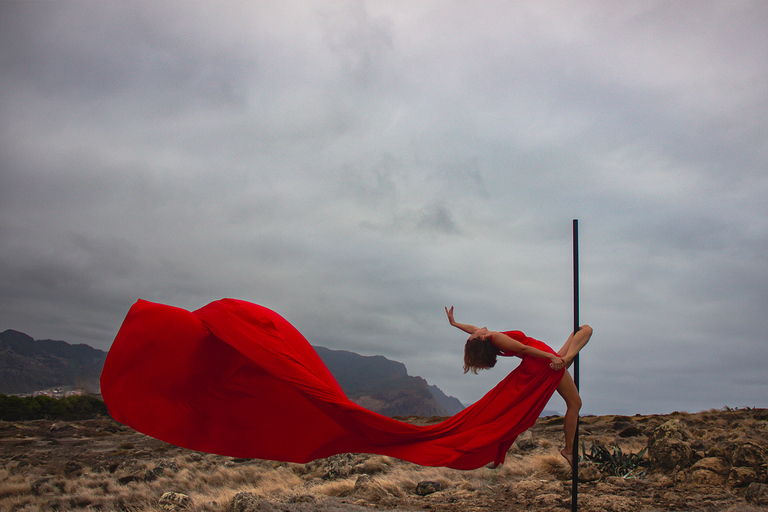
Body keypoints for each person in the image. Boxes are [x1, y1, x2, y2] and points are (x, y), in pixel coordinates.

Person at [445, 306, 592, 467]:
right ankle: (569, 450)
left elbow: (473, 329)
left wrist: (454, 323)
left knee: (583, 330)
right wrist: (551, 357)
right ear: (481, 339)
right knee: (575, 403)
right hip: (543, 362)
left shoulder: (487, 336)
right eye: (473, 335)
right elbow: (524, 349)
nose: (474, 331)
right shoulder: (495, 338)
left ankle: (567, 358)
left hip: (545, 360)